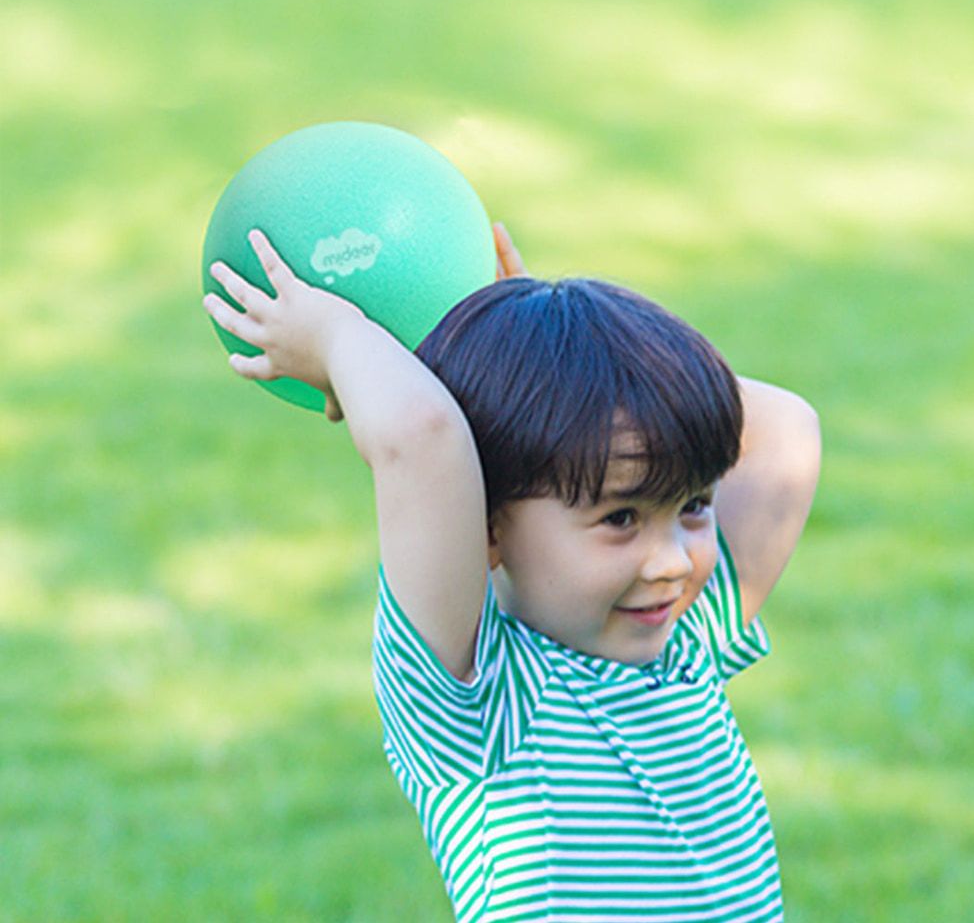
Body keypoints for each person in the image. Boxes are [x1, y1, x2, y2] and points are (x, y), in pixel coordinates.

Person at [203, 223, 821, 922]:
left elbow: (785, 430)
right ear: (489, 529)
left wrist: (543, 367)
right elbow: (420, 436)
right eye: (620, 518)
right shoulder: (478, 698)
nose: (673, 560)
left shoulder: (682, 644)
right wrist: (337, 337)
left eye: (694, 507)